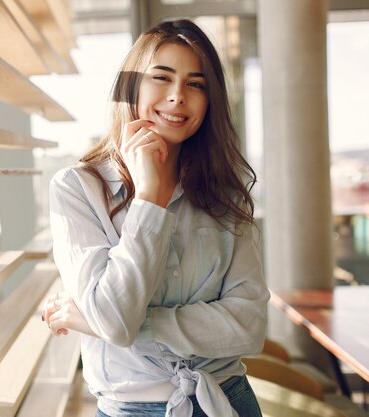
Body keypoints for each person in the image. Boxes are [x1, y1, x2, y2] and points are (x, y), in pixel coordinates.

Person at [42, 19, 269, 417]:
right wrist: (149, 199)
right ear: (132, 87)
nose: (178, 96)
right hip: (130, 409)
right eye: (161, 78)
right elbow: (115, 320)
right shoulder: (76, 189)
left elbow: (249, 325)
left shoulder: (224, 193)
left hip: (228, 402)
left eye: (196, 84)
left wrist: (106, 323)